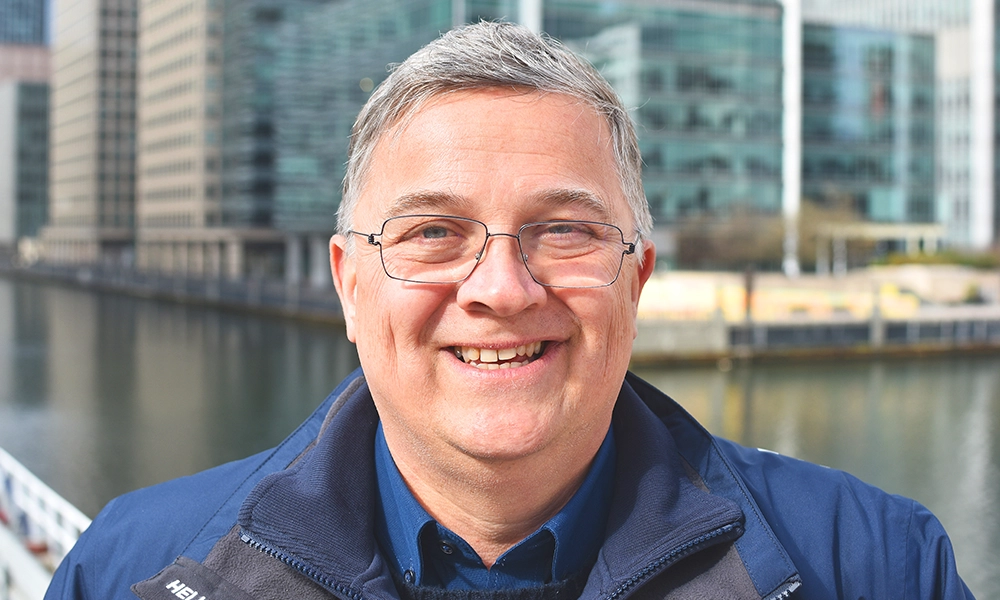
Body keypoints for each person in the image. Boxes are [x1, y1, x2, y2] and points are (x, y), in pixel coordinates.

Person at [46, 21, 973, 600]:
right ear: (349, 284)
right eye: (433, 234)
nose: (500, 288)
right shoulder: (128, 572)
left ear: (635, 279)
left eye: (563, 231)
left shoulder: (878, 568)